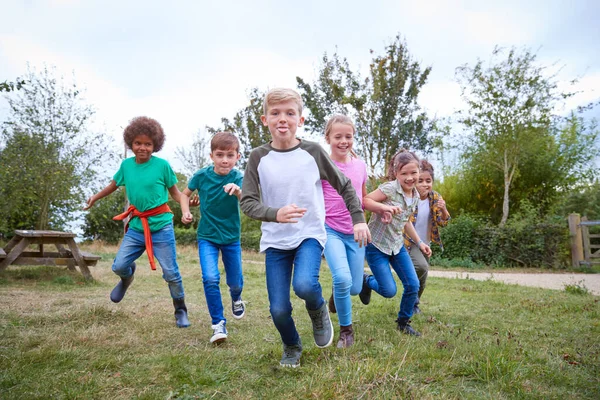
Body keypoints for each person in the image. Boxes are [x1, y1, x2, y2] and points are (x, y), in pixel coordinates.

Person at [240, 88, 370, 368]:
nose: (282, 119)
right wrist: (275, 213)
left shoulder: (313, 152)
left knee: (304, 285)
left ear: (300, 119)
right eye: (275, 113)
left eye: (290, 113)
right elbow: (248, 202)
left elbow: (345, 186)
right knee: (278, 309)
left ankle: (318, 309)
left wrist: (359, 219)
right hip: (276, 242)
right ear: (265, 120)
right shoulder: (257, 157)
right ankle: (291, 345)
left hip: (309, 234)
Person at [84, 116, 190, 328]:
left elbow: (177, 194)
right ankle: (126, 278)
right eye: (138, 143)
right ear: (131, 143)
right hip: (136, 227)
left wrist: (186, 208)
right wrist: (94, 198)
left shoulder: (162, 166)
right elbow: (112, 186)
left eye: (148, 144)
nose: (143, 147)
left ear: (155, 145)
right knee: (119, 266)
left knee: (171, 273)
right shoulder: (126, 166)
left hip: (161, 227)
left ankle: (180, 310)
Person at [179, 131, 245, 345]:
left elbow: (249, 201)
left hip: (231, 237)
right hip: (207, 236)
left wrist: (238, 192)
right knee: (210, 278)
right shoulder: (202, 176)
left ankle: (236, 297)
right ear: (211, 156)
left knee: (235, 282)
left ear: (237, 156)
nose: (225, 160)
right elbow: (184, 194)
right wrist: (185, 211)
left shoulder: (238, 178)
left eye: (230, 155)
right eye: (220, 155)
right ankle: (218, 323)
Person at [360, 149, 431, 336]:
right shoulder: (389, 188)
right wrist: (384, 208)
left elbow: (406, 221)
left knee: (413, 285)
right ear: (396, 173)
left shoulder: (415, 195)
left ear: (419, 171)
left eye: (413, 173)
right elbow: (365, 201)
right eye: (404, 173)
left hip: (397, 246)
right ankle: (366, 281)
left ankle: (403, 322)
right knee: (388, 290)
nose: (409, 177)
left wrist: (419, 242)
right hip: (376, 246)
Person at [321, 114, 368, 348]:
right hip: (331, 230)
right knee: (342, 278)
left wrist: (382, 209)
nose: (343, 141)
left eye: (348, 136)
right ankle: (346, 332)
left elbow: (363, 198)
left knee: (355, 287)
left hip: (356, 232)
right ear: (327, 138)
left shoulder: (360, 165)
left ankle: (339, 292)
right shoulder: (321, 165)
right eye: (337, 136)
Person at [403, 159, 450, 315]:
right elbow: (404, 221)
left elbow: (443, 222)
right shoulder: (410, 197)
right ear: (415, 181)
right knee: (421, 267)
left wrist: (443, 210)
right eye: (421, 180)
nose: (425, 184)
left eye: (428, 181)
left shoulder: (435, 198)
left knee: (423, 276)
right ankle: (411, 301)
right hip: (410, 242)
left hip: (426, 243)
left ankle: (414, 304)